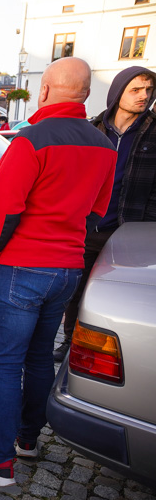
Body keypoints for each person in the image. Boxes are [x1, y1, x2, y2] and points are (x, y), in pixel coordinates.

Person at [0, 57, 117, 487]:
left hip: (22, 266)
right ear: (85, 95)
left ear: (44, 90)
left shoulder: (30, 141)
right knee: (39, 356)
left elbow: (5, 209)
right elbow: (98, 213)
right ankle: (28, 441)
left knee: (6, 363)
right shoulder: (105, 146)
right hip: (67, 267)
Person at [54, 66, 156, 361]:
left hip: (129, 232)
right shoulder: (92, 129)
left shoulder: (154, 131)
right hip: (86, 229)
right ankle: (70, 341)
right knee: (76, 291)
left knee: (120, 298)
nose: (144, 96)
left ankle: (109, 353)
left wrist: (143, 229)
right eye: (135, 89)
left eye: (148, 90)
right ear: (117, 93)